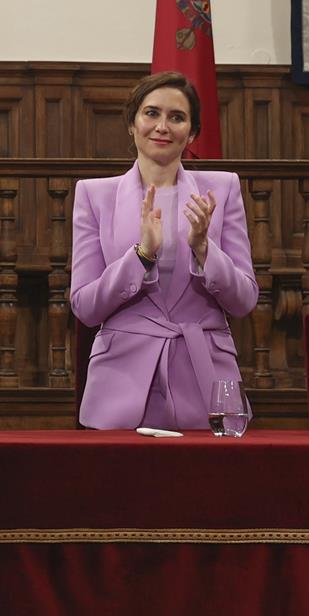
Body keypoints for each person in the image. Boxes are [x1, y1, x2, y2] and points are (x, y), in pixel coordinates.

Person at [70, 71, 256, 430]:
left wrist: (205, 250)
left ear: (192, 132)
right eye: (151, 113)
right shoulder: (94, 195)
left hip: (206, 382)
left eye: (177, 117)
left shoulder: (223, 189)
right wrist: (141, 255)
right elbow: (85, 307)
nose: (162, 126)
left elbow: (244, 300)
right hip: (121, 384)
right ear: (132, 124)